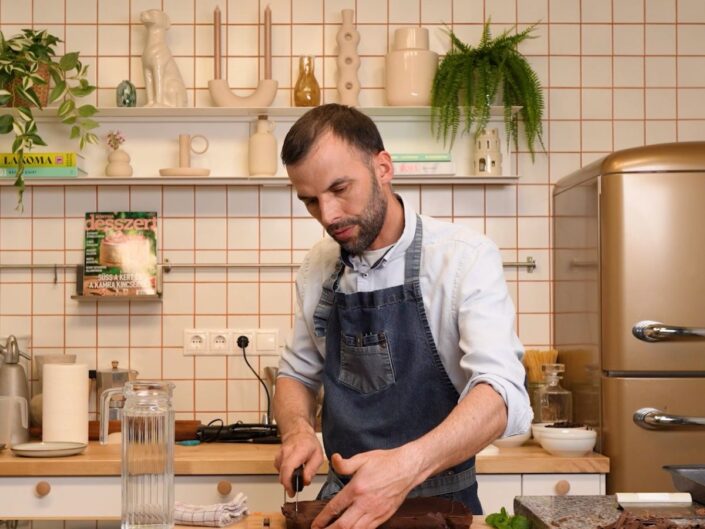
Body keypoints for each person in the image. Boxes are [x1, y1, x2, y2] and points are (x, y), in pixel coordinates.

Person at [273, 104, 532, 529]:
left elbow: (502, 392)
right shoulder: (319, 265)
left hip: (442, 507)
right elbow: (296, 375)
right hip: (343, 506)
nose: (328, 216)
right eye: (310, 201)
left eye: (340, 189)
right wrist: (297, 430)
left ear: (383, 167)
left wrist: (405, 467)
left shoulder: (462, 257)